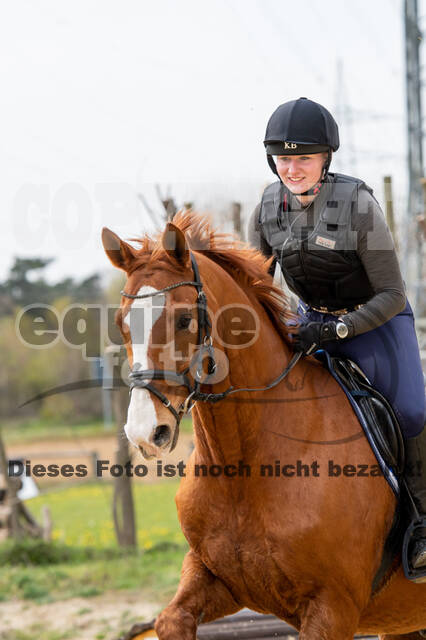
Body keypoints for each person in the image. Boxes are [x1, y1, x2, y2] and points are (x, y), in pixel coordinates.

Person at [248, 96, 426, 572]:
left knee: (410, 410)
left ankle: (422, 523)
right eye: (284, 158)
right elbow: (255, 286)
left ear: (326, 158)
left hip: (376, 323)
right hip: (309, 324)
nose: (293, 168)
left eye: (303, 157)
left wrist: (338, 328)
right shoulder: (267, 207)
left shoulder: (359, 206)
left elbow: (391, 293)